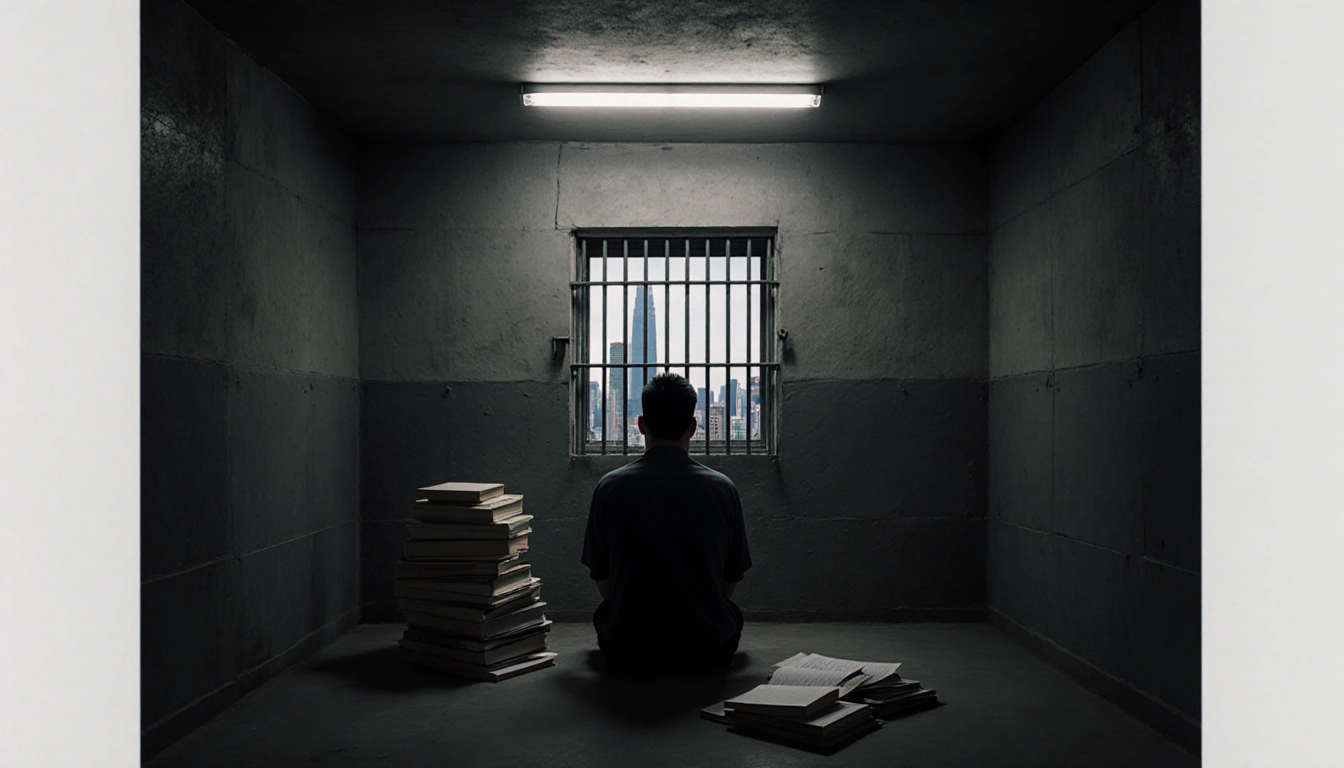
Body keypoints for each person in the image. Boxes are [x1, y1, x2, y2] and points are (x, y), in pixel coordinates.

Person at [581, 372, 752, 674]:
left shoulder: (609, 488)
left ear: (641, 425)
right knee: (730, 614)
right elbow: (729, 583)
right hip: (707, 650)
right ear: (694, 427)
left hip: (626, 650)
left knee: (606, 613)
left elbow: (603, 581)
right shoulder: (723, 489)